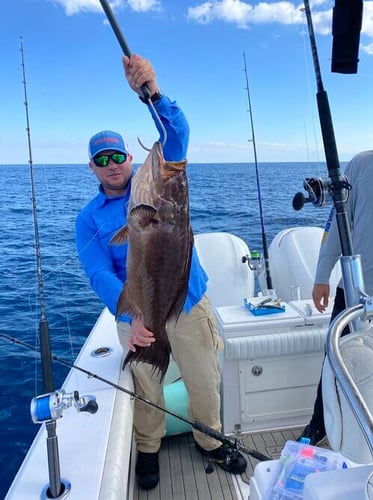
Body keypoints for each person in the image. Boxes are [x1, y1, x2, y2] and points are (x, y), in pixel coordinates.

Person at [75, 54, 247, 491]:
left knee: (205, 380)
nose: (112, 163)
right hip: (138, 315)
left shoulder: (158, 184)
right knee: (146, 389)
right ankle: (147, 448)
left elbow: (177, 133)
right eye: (102, 159)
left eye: (118, 155)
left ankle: (209, 441)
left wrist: (151, 92)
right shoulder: (89, 219)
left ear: (130, 158)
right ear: (92, 167)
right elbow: (98, 273)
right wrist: (131, 319)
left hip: (188, 300)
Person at [298, 150, 373, 446]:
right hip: (354, 289)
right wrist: (321, 276)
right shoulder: (361, 164)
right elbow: (337, 224)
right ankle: (320, 424)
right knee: (335, 360)